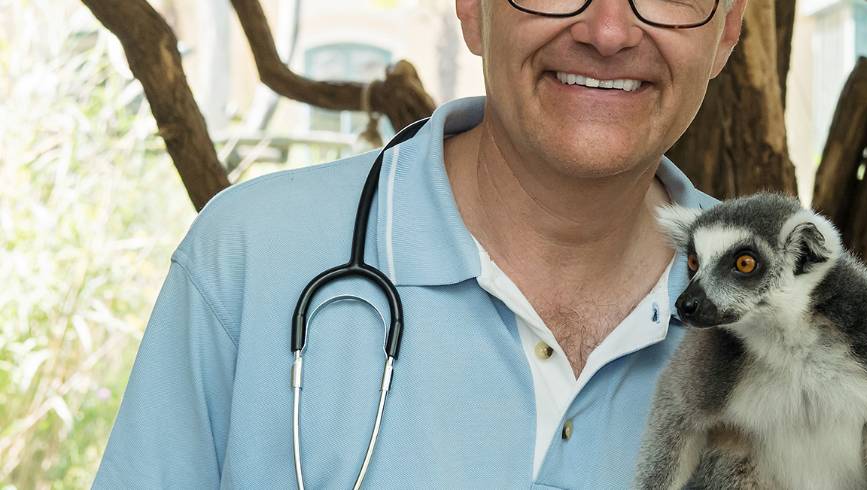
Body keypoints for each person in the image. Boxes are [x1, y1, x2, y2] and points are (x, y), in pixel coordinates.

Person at [93, 0, 744, 487]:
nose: (608, 32)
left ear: (729, 29)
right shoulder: (249, 260)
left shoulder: (797, 322)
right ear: (470, 9)